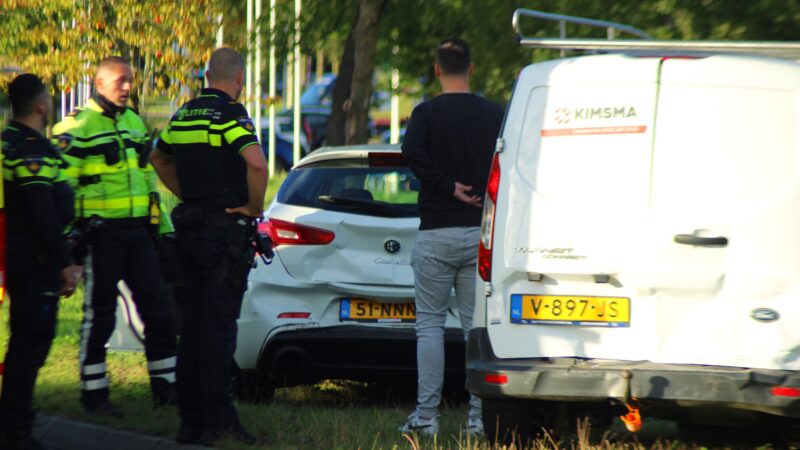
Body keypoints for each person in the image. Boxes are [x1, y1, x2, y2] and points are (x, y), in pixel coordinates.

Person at [150, 47, 267, 446]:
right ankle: (221, 421)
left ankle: (190, 422)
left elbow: (158, 159)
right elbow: (256, 163)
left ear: (207, 75)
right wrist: (254, 207)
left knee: (193, 330)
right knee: (218, 332)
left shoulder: (184, 114)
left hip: (189, 234)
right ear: (238, 80)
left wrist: (190, 198)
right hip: (224, 238)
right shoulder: (231, 115)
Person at [52, 56, 177, 415]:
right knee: (100, 316)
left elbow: (148, 181)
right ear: (101, 82)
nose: (127, 87)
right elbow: (61, 189)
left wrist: (162, 230)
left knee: (159, 312)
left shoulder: (135, 122)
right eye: (121, 80)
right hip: (101, 237)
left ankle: (166, 392)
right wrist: (69, 246)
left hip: (139, 235)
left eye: (130, 81)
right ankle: (94, 395)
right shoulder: (76, 127)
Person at [399, 38, 504, 437]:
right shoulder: (493, 113)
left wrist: (446, 187)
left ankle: (426, 418)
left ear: (437, 69)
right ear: (471, 68)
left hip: (436, 233)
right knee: (475, 330)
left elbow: (412, 152)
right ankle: (479, 419)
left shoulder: (425, 114)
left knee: (428, 326)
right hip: (481, 235)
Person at [0, 74, 82, 450]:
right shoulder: (33, 150)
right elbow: (42, 212)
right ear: (41, 106)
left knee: (23, 341)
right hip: (34, 262)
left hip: (18, 258)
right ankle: (16, 429)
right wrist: (65, 263)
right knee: (31, 342)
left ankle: (14, 420)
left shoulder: (7, 142)